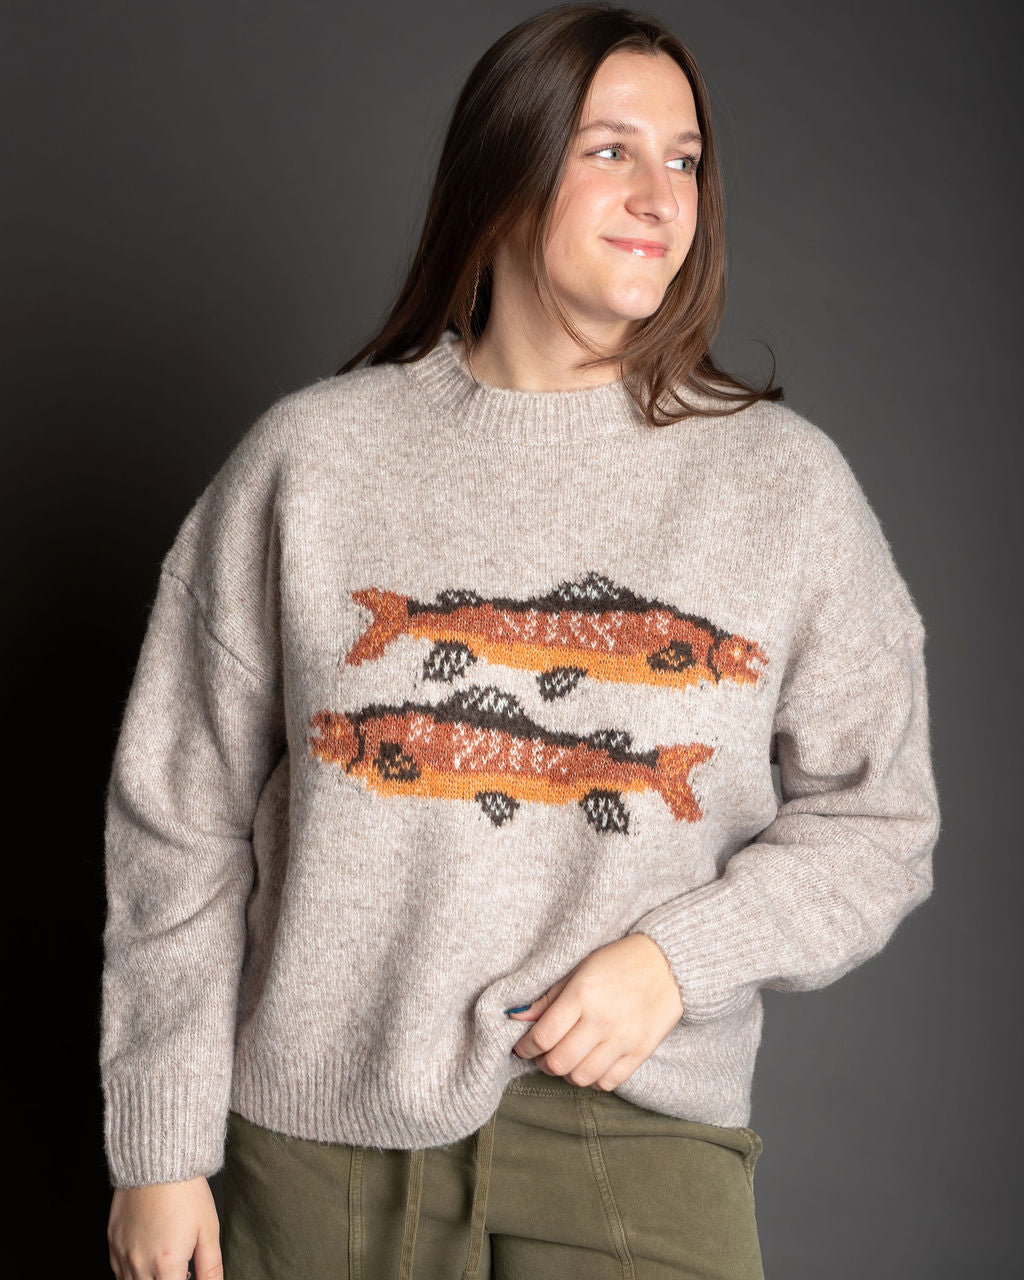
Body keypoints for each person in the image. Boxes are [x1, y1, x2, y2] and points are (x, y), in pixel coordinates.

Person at [101, 4, 941, 1278]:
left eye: (684, 158)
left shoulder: (785, 486)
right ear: (503, 174)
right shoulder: (310, 460)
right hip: (316, 1150)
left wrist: (676, 961)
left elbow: (881, 821)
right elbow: (179, 818)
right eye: (610, 149)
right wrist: (158, 1148)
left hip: (636, 1139)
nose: (660, 194)